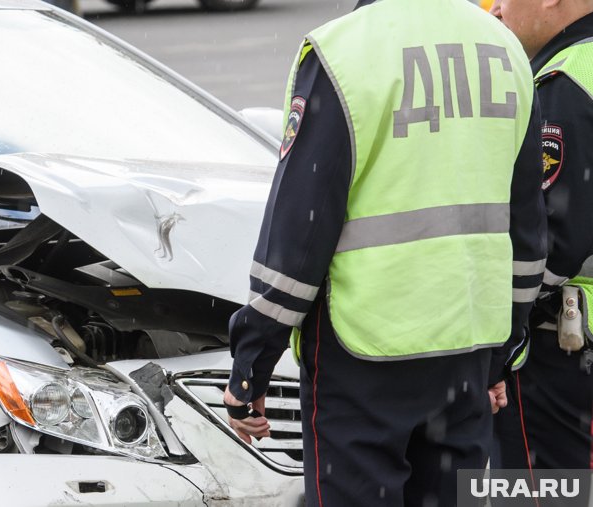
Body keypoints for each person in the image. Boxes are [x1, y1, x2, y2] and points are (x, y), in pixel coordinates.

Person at [222, 0, 547, 505]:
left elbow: (300, 230)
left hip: (363, 353)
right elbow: (526, 228)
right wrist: (502, 354)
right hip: (465, 346)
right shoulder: (502, 47)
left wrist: (252, 364)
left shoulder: (342, 52)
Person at [489, 0, 593, 474]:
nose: (497, 9)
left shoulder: (566, 79)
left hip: (563, 352)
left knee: (533, 491)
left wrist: (502, 333)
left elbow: (554, 237)